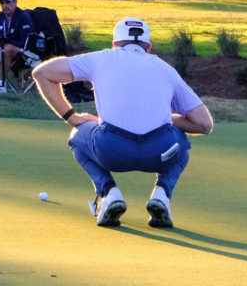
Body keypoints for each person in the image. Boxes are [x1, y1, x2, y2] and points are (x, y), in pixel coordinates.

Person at [32, 17, 213, 229]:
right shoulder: (166, 69)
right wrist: (165, 119)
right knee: (181, 142)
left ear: (115, 44)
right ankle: (162, 193)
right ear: (148, 47)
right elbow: (204, 124)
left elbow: (41, 73)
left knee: (77, 136)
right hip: (159, 153)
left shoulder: (102, 58)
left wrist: (71, 117)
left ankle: (109, 193)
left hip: (111, 151)